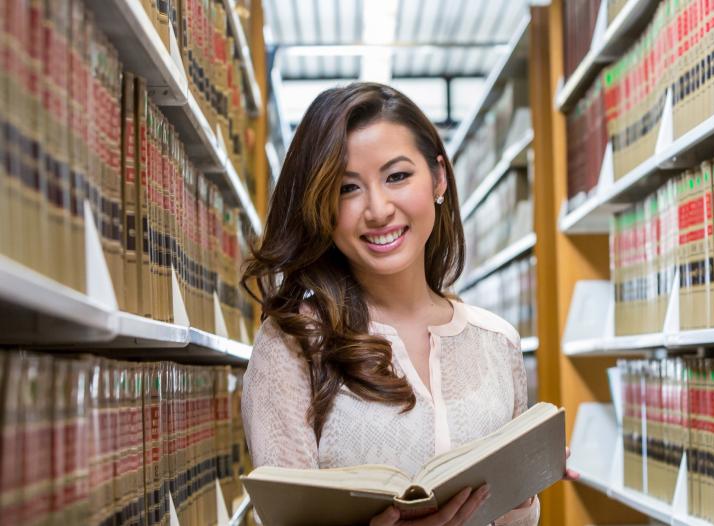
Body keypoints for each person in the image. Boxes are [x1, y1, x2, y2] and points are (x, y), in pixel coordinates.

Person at [241, 82, 573, 526]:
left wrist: (525, 488)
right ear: (319, 205)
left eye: (397, 176)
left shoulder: (497, 342)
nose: (378, 209)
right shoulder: (294, 344)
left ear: (438, 177)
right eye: (346, 189)